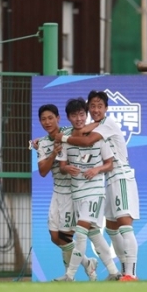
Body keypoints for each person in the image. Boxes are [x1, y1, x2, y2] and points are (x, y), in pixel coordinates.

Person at [55, 90, 140, 282]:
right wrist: (38, 142)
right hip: (108, 181)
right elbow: (81, 131)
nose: (95, 109)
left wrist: (64, 139)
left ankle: (130, 274)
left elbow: (86, 140)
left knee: (125, 226)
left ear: (106, 108)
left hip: (121, 176)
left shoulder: (107, 124)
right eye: (92, 106)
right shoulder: (95, 125)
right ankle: (118, 271)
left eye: (99, 106)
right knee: (111, 229)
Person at [35, 104, 98, 281]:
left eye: (50, 118)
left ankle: (69, 276)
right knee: (55, 237)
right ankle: (87, 263)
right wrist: (53, 154)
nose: (47, 122)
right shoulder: (42, 143)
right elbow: (42, 171)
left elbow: (89, 132)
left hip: (73, 191)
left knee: (65, 236)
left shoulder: (69, 132)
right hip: (57, 192)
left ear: (58, 118)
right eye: (43, 119)